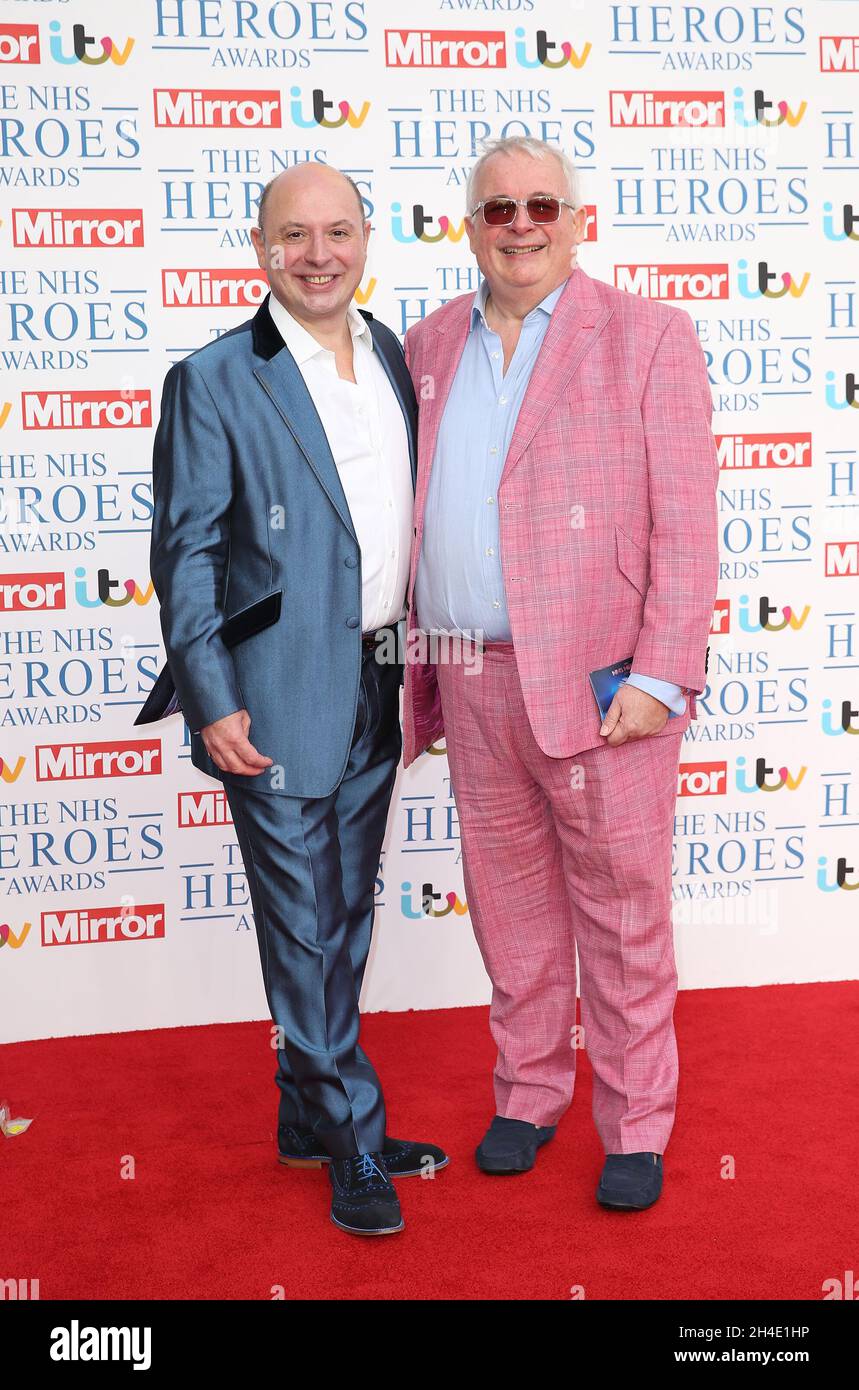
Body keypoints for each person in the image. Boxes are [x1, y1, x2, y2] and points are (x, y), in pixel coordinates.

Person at [401, 136, 719, 1211]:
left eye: (541, 204)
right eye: (498, 209)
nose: (520, 224)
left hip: (603, 688)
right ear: (471, 226)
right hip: (471, 677)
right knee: (509, 906)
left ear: (577, 220)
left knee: (623, 912)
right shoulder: (425, 345)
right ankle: (527, 1092)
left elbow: (686, 522)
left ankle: (634, 1123)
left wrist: (664, 674)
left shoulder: (646, 337)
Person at [137, 163, 447, 1237]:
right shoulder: (215, 376)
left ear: (368, 239)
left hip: (378, 676)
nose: (319, 254)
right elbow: (183, 555)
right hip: (268, 694)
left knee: (344, 912)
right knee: (304, 924)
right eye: (294, 235)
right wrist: (211, 699)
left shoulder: (396, 357)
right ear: (259, 246)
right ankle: (353, 1135)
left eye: (338, 232)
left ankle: (305, 1114)